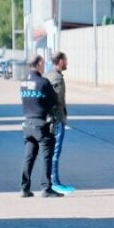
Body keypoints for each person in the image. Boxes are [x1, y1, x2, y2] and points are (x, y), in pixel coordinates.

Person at [19, 54, 62, 198]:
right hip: (41, 124)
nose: (44, 66)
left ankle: (24, 188)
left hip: (27, 125)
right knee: (46, 156)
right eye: (43, 63)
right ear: (37, 64)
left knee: (28, 157)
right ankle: (46, 188)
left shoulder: (23, 82)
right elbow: (55, 100)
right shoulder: (43, 82)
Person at [45, 51, 74, 193]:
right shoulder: (56, 78)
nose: (67, 63)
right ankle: (54, 182)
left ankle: (50, 181)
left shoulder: (48, 76)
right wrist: (58, 118)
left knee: (50, 152)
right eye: (66, 60)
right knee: (55, 152)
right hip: (56, 121)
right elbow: (56, 101)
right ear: (61, 61)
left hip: (50, 120)